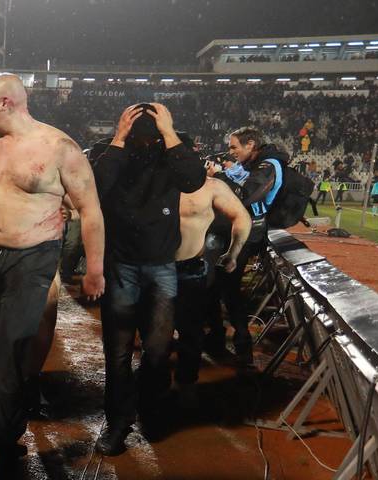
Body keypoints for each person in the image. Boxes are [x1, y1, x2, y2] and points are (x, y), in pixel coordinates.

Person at [0, 73, 105, 468]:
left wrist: (95, 269)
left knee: (13, 343)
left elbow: (90, 209)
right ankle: (0, 402)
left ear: (6, 102)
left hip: (33, 258)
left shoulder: (58, 146)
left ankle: (5, 435)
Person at [91, 103, 205, 455]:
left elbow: (194, 180)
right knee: (118, 353)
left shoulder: (172, 151)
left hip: (161, 267)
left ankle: (151, 413)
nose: (144, 139)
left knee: (157, 352)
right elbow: (96, 187)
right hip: (121, 265)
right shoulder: (109, 151)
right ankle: (118, 425)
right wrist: (120, 138)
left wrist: (169, 133)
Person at [174, 175, 251, 407]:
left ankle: (185, 385)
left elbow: (242, 217)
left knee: (189, 332)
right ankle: (157, 386)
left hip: (189, 267)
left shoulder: (211, 186)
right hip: (153, 267)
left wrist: (233, 253)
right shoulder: (150, 177)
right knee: (155, 334)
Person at [215, 126, 288, 365]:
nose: (230, 151)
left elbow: (246, 195)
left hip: (249, 231)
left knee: (227, 284)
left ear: (250, 145)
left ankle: (241, 343)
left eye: (234, 146)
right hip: (240, 229)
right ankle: (222, 338)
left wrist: (220, 177)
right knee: (222, 284)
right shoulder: (257, 163)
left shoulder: (269, 165)